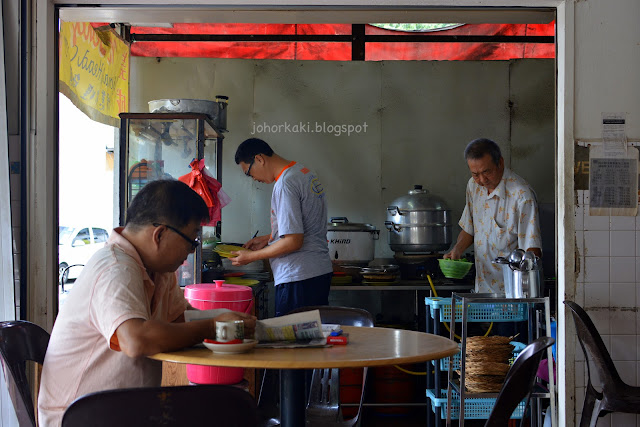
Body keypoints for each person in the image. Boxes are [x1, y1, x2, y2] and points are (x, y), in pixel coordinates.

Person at [38, 180, 256, 426]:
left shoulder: (159, 271)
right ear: (160, 234)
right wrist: (215, 326)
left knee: (225, 409)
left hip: (124, 412)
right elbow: (136, 340)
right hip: (81, 418)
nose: (192, 251)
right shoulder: (115, 267)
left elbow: (179, 319)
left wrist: (229, 320)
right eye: (192, 240)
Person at [233, 138, 332, 316]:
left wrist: (252, 257)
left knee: (293, 341)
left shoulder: (286, 184)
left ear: (260, 159)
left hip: (298, 276)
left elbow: (294, 242)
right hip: (317, 271)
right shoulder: (303, 172)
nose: (254, 179)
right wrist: (268, 238)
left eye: (249, 172)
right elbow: (305, 225)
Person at [444, 138, 542, 295]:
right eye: (475, 174)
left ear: (500, 163)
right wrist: (457, 250)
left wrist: (523, 292)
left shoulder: (521, 195)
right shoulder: (473, 186)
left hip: (511, 293)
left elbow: (532, 250)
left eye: (486, 172)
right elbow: (470, 228)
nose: (482, 180)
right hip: (482, 290)